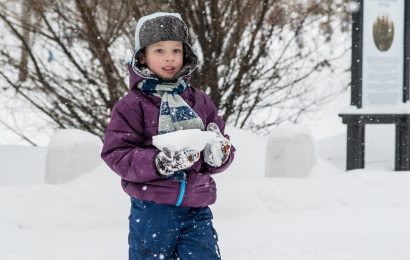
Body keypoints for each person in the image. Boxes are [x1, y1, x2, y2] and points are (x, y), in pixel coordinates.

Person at [101, 12, 235, 259]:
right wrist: (158, 163)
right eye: (159, 50)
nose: (169, 58)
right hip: (152, 210)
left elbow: (221, 142)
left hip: (197, 207)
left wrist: (219, 154)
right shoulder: (133, 105)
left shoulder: (200, 101)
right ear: (142, 57)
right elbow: (116, 153)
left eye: (176, 50)